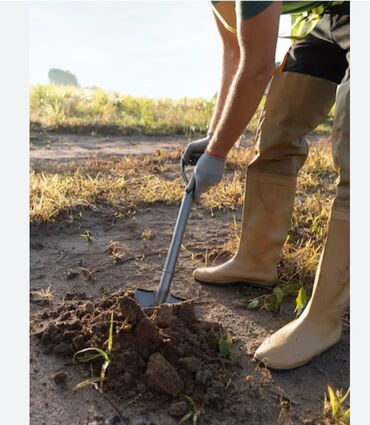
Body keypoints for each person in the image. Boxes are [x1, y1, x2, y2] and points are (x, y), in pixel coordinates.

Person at [182, 1, 349, 370]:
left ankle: (324, 316)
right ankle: (255, 261)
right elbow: (237, 52)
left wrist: (218, 156)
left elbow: (257, 67)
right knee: (280, 116)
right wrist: (213, 139)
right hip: (337, 14)